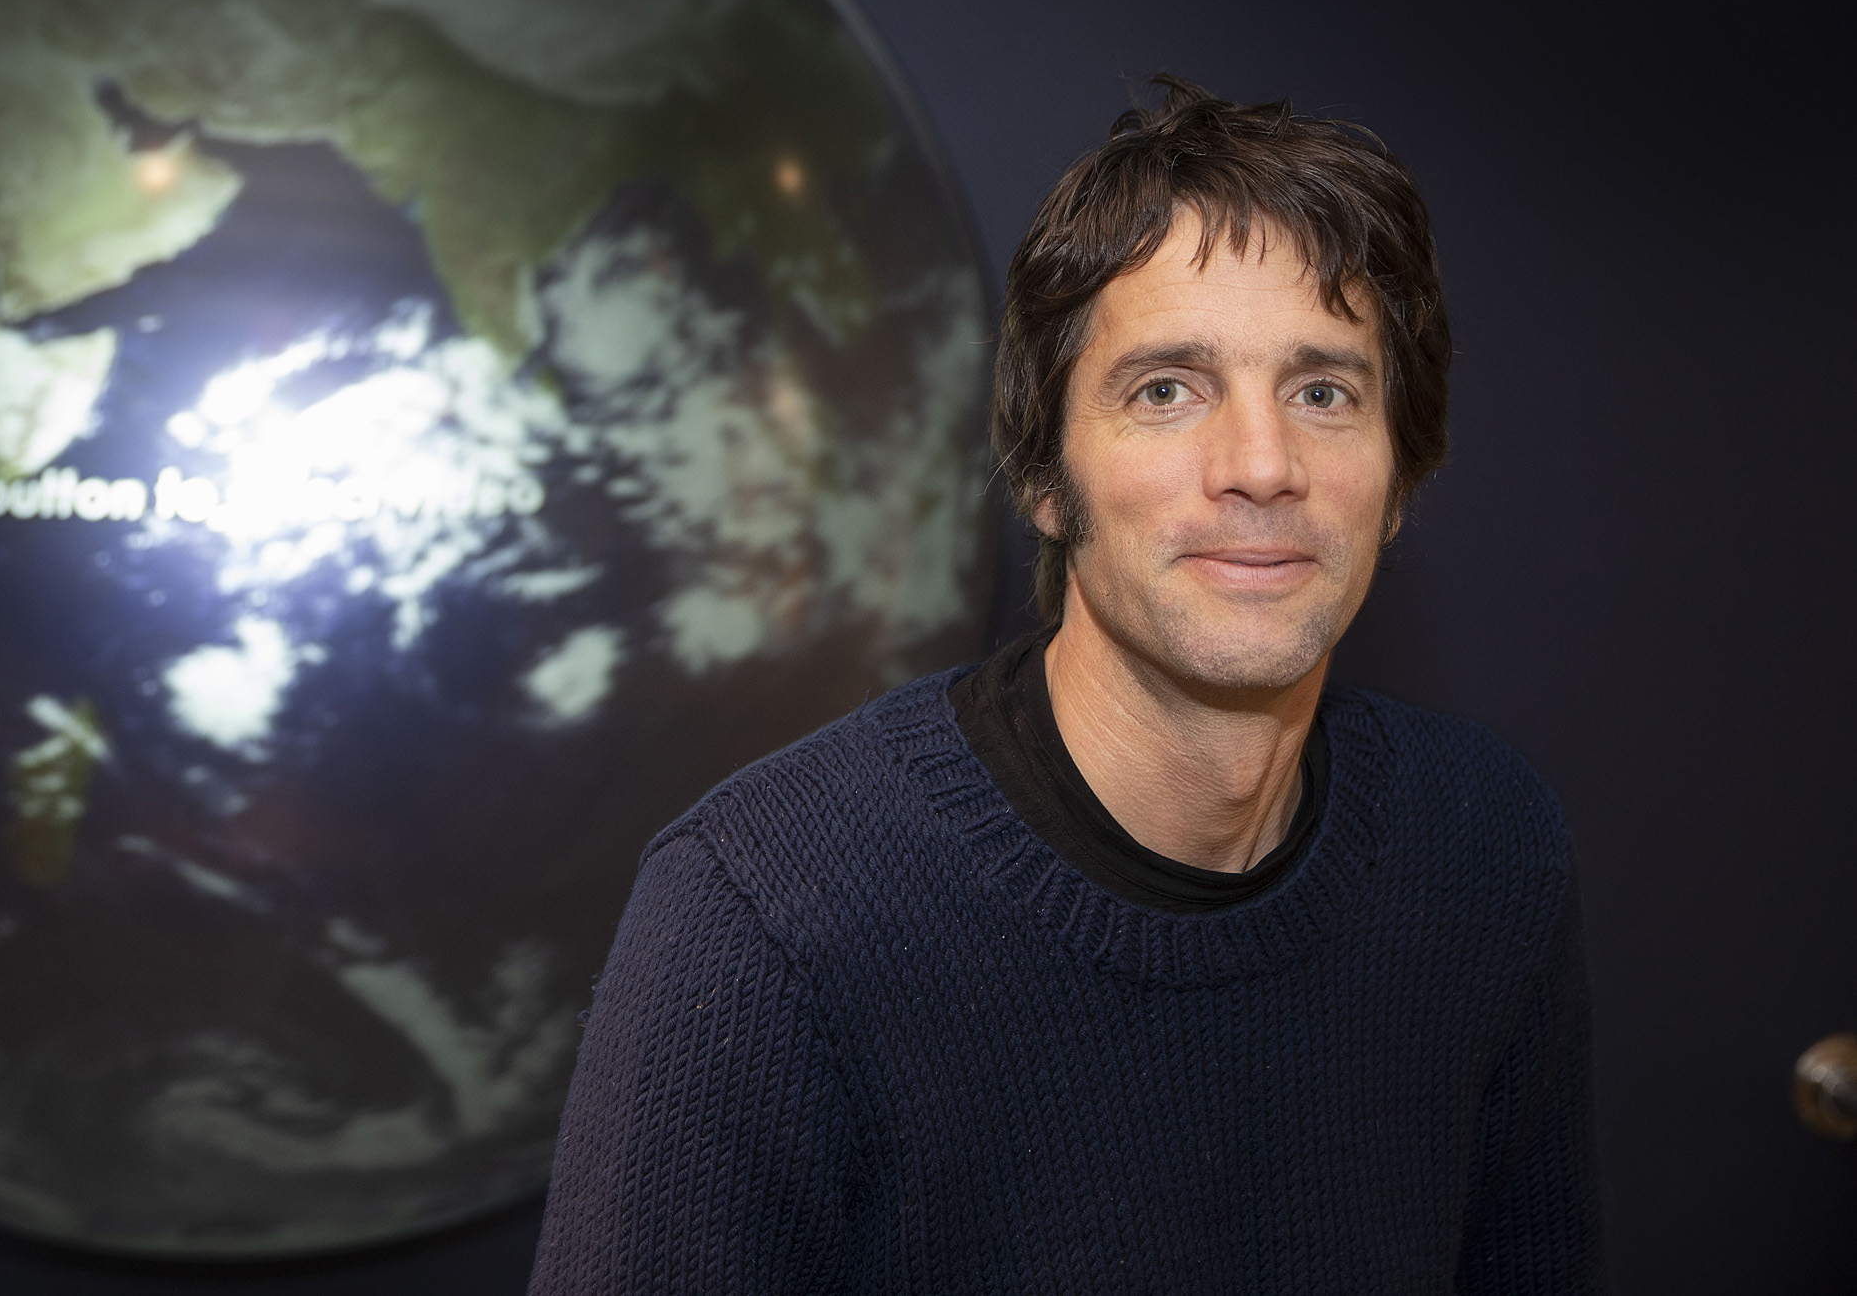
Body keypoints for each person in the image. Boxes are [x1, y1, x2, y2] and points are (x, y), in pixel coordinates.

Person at [528, 77, 1602, 1292]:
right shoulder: (765, 922)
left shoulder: (1485, 852)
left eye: (1322, 391)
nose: (1261, 463)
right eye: (1165, 390)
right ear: (1046, 477)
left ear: (1398, 476)